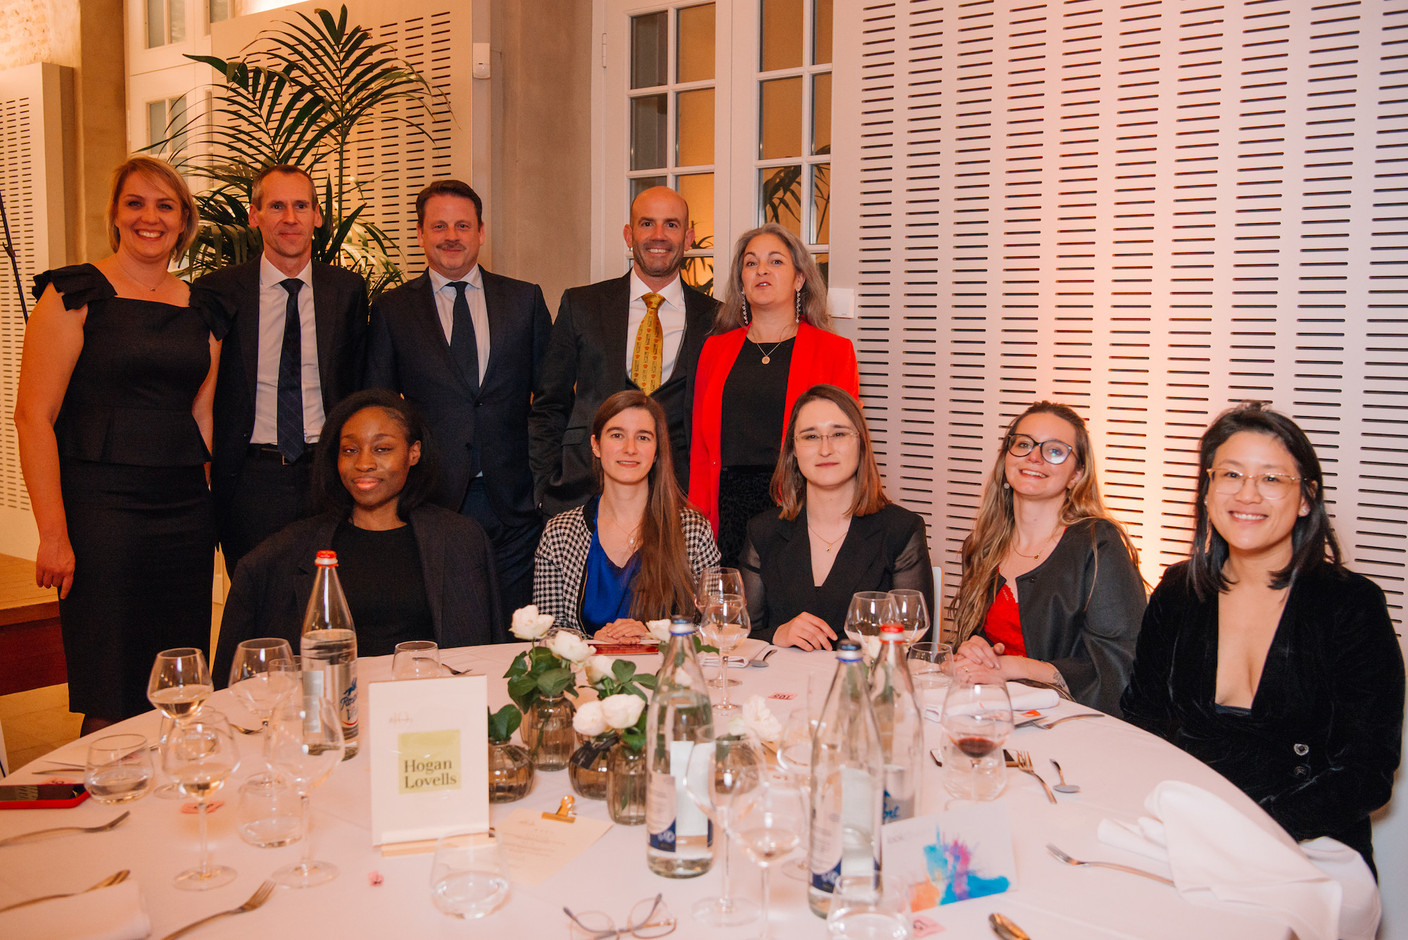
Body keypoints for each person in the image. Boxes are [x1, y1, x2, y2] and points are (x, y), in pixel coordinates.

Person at [1121, 403, 1404, 873]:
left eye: (1271, 479)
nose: (1247, 494)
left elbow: (1366, 773)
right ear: (1208, 492)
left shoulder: (1352, 606)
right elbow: (1141, 721)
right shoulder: (1176, 590)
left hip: (1309, 842)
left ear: (1306, 498)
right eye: (1230, 474)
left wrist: (1248, 828)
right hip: (1186, 825)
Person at [15, 156, 217, 732]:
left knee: (179, 683)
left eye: (165, 206)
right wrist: (54, 533)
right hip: (101, 511)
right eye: (135, 203)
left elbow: (201, 417)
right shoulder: (73, 295)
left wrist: (208, 512)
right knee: (110, 681)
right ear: (115, 216)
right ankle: (104, 805)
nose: (149, 218)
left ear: (183, 222)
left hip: (182, 513)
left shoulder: (202, 307)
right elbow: (33, 417)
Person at [214, 389, 504, 685]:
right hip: (330, 717)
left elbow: (491, 664)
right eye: (350, 450)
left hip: (432, 717)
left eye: (382, 449)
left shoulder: (463, 541)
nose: (363, 463)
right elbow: (229, 690)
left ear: (413, 452)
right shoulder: (279, 556)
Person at [366, 180, 551, 613]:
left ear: (481, 232)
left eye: (463, 225)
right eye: (440, 226)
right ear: (420, 234)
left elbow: (550, 398)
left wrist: (544, 482)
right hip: (433, 496)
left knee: (517, 628)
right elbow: (379, 409)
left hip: (515, 501)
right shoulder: (393, 310)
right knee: (446, 622)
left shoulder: (525, 300)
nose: (452, 236)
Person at [193, 164, 368, 577]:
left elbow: (361, 384)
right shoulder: (218, 291)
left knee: (330, 604)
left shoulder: (347, 291)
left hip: (329, 475)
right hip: (250, 479)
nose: (290, 218)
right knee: (257, 606)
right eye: (276, 206)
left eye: (301, 206)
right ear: (254, 216)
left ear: (317, 217)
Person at [529, 186, 717, 518]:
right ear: (629, 235)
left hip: (680, 500)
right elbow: (549, 404)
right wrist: (544, 487)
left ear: (688, 238)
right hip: (583, 492)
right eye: (647, 224)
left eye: (671, 225)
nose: (658, 236)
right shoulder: (582, 305)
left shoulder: (717, 319)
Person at [950, 402, 1146, 715]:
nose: (1034, 456)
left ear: (1076, 474)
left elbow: (1119, 669)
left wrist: (1018, 667)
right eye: (1023, 444)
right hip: (993, 714)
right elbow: (979, 645)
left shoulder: (1098, 544)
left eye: (1055, 451)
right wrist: (973, 646)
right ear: (1005, 460)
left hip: (1074, 727)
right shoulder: (980, 547)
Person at [689, 224, 860, 566]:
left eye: (775, 261)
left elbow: (846, 446)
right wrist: (695, 520)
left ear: (800, 279)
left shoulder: (834, 351)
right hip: (727, 507)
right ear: (742, 281)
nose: (761, 270)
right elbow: (699, 446)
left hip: (799, 503)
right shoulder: (714, 350)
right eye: (751, 263)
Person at [739, 384, 931, 650]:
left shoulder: (901, 530)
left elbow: (917, 647)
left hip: (865, 687)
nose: (825, 449)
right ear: (793, 450)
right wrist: (777, 634)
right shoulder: (763, 532)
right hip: (781, 689)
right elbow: (737, 639)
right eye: (810, 436)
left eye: (838, 434)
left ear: (861, 442)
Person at [533, 390, 719, 640]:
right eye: (617, 435)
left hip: (669, 674)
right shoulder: (559, 533)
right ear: (596, 445)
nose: (630, 448)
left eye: (643, 438)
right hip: (587, 676)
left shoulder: (693, 530)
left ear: (656, 452)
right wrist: (594, 643)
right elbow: (547, 631)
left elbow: (717, 625)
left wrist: (656, 634)